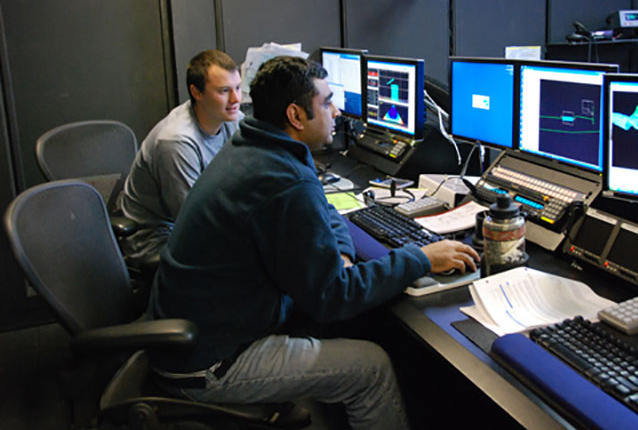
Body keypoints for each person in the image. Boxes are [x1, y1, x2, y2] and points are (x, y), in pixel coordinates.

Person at [148, 56, 480, 429]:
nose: (337, 111)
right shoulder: (283, 180)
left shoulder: (258, 147)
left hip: (204, 331)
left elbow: (324, 210)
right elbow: (333, 298)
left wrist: (339, 252)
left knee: (361, 326)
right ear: (296, 115)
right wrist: (419, 258)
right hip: (210, 362)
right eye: (326, 102)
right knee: (371, 369)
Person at [120, 49, 243, 267]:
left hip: (201, 222)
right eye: (224, 91)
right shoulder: (176, 141)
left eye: (238, 88)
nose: (235, 99)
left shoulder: (231, 119)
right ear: (196, 92)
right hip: (158, 240)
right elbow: (194, 222)